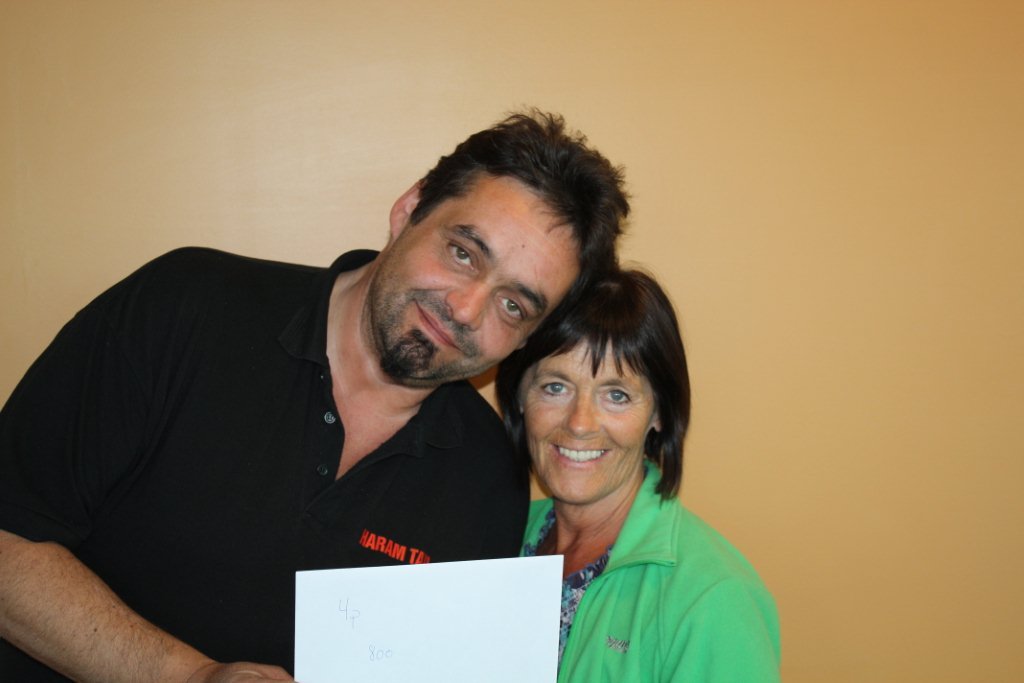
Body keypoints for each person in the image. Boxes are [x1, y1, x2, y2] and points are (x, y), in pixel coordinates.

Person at [0, 111, 630, 682]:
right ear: (410, 209)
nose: (466, 310)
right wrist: (188, 677)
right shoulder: (185, 310)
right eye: (463, 253)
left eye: (513, 304)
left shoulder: (488, 479)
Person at [496, 269, 781, 682]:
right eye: (556, 387)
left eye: (617, 395)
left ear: (660, 412)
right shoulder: (498, 536)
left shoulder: (714, 597)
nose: (579, 423)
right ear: (520, 395)